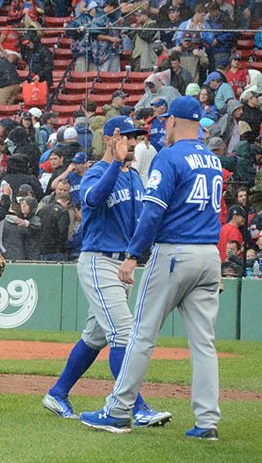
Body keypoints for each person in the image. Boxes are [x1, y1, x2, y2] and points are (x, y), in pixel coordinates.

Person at [81, 97, 223, 441]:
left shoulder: (170, 157)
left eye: (165, 120)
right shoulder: (213, 160)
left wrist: (132, 254)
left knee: (140, 335)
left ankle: (116, 412)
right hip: (209, 254)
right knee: (204, 343)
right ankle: (207, 422)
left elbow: (154, 212)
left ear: (173, 120)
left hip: (175, 252)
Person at [44, 116, 171, 426]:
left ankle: (57, 392)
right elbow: (91, 199)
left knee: (94, 337)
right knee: (123, 334)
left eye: (136, 138)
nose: (134, 142)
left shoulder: (136, 177)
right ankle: (136, 407)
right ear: (112, 140)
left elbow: (145, 221)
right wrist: (113, 164)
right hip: (99, 261)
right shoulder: (97, 171)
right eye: (127, 137)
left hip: (123, 265)